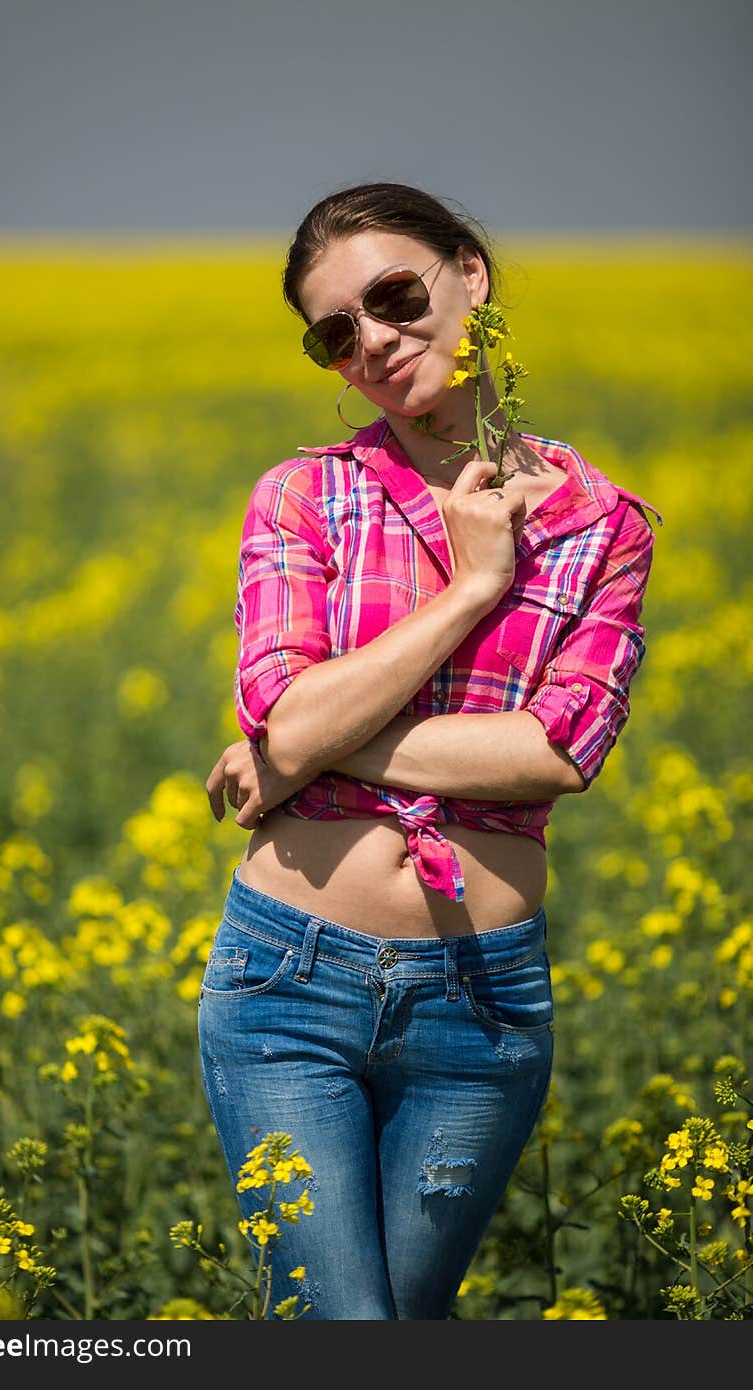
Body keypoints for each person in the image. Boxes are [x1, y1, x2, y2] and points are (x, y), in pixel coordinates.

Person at [199, 182, 663, 1320]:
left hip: (481, 1003)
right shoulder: (305, 494)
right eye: (334, 333)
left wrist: (313, 752)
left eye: (394, 296)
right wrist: (472, 590)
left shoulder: (606, 525)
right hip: (286, 988)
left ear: (472, 276)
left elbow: (554, 754)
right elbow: (284, 709)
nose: (373, 341)